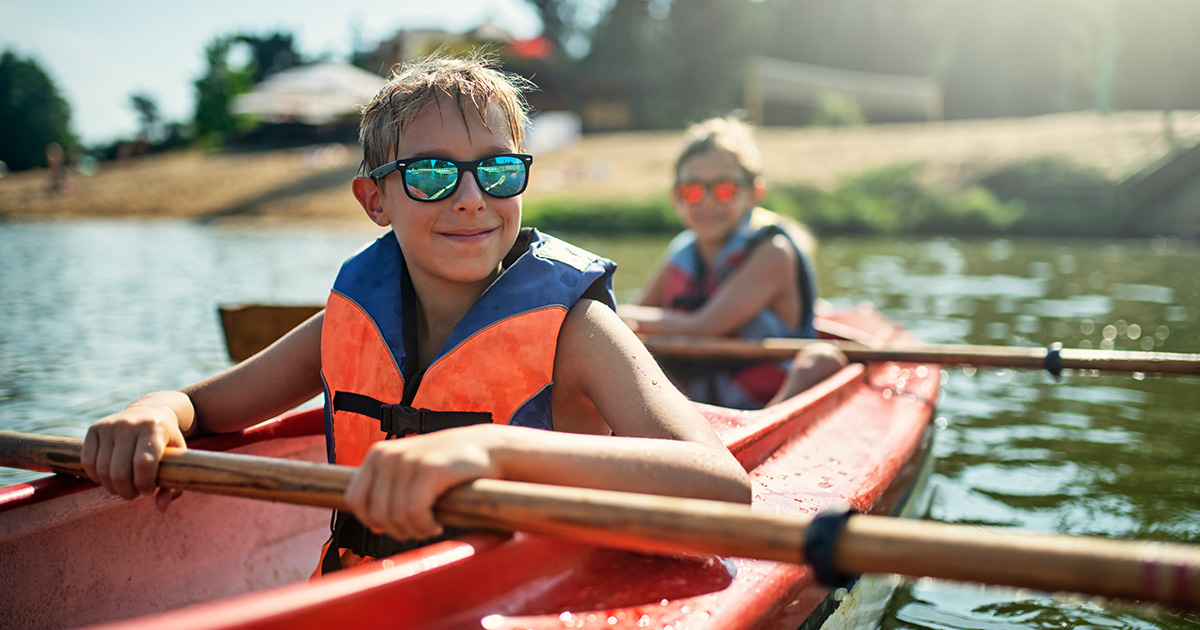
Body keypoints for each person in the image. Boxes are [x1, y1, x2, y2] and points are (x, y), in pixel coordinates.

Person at [80, 51, 751, 575]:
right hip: (369, 595)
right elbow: (202, 406)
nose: (470, 198)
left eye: (497, 171)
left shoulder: (577, 331)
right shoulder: (349, 320)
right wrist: (158, 410)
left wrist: (490, 447)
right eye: (431, 173)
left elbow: (722, 486)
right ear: (375, 201)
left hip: (527, 595)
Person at [620, 116, 846, 410]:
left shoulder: (772, 252)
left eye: (725, 189)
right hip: (699, 395)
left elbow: (703, 326)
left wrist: (620, 316)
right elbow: (643, 310)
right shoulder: (682, 251)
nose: (708, 202)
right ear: (676, 196)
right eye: (692, 190)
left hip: (767, 396)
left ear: (755, 193)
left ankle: (768, 427)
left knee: (820, 360)